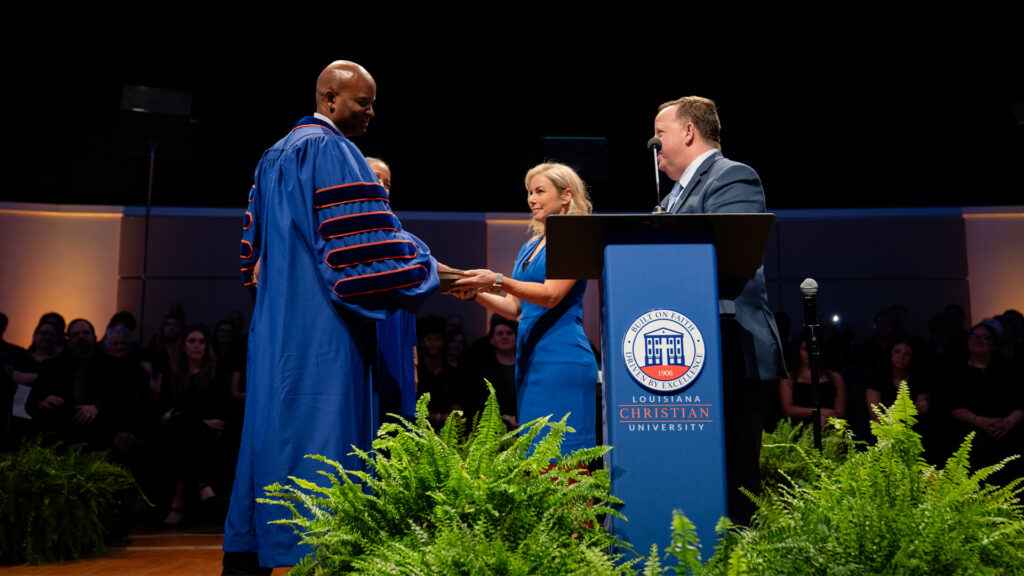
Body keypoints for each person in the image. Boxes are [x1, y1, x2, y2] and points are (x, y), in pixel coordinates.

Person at [222, 60, 440, 573]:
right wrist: (429, 268)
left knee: (268, 441)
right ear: (329, 99)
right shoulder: (333, 150)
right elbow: (359, 253)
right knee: (325, 454)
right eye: (362, 103)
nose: (370, 113)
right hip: (323, 329)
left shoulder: (272, 155)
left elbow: (250, 257)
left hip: (274, 328)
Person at [654, 96, 786, 524]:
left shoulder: (733, 178)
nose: (653, 145)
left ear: (688, 132)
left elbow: (729, 258)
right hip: (688, 352)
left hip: (731, 349)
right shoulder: (672, 196)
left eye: (660, 134)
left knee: (734, 482)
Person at [452, 162, 598, 453]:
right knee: (535, 461)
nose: (532, 199)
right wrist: (475, 294)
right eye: (530, 192)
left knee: (565, 462)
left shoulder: (574, 238)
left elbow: (551, 296)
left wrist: (496, 279)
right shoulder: (529, 247)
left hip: (563, 359)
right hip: (532, 362)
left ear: (566, 195)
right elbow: (516, 310)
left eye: (540, 191)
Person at [778, 335, 846, 428]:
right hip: (797, 429)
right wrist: (818, 411)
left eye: (814, 349)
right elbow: (787, 410)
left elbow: (839, 412)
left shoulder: (835, 377)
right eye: (805, 349)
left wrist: (822, 418)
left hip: (829, 426)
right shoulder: (789, 378)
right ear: (798, 351)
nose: (809, 353)